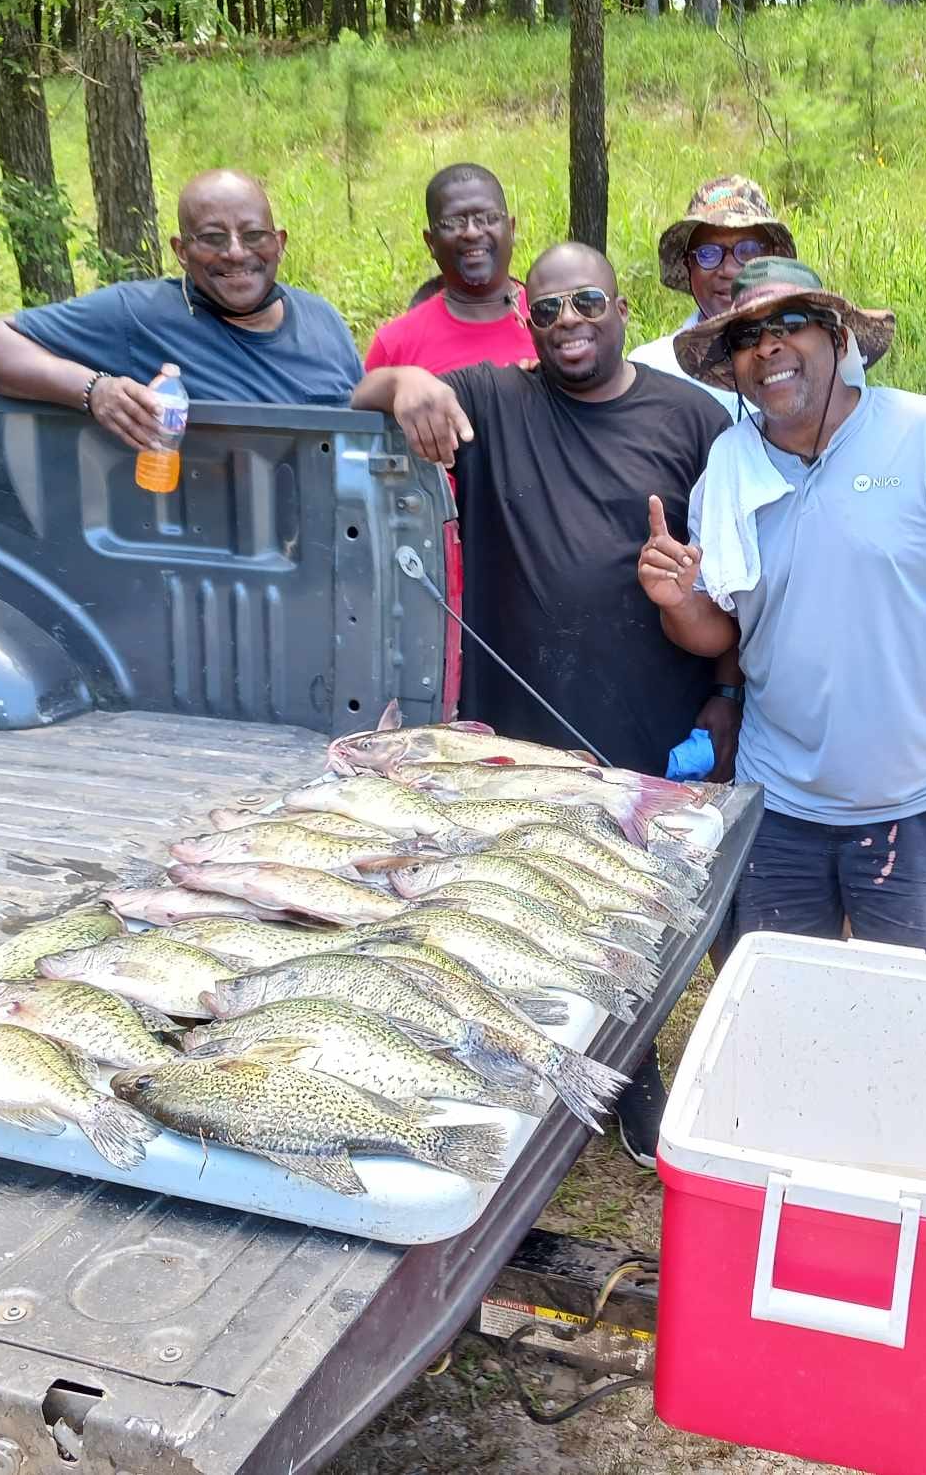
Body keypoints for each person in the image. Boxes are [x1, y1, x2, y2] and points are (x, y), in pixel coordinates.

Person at [352, 241, 743, 1168]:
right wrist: (404, 378)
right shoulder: (493, 398)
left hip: (652, 701)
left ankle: (662, 1062)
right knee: (536, 894)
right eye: (553, 309)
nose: (571, 324)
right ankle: (575, 1068)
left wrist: (725, 699)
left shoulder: (693, 419)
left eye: (589, 304)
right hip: (519, 710)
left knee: (644, 899)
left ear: (620, 312)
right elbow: (358, 398)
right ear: (529, 319)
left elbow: (735, 581)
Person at [639, 258, 926, 970]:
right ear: (734, 368)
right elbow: (723, 630)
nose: (767, 346)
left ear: (840, 339)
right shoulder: (729, 470)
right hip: (778, 803)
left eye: (789, 324)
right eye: (747, 337)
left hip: (913, 803)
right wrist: (678, 601)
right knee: (778, 1014)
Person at [0, 170, 363, 449]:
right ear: (181, 251)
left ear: (279, 243)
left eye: (254, 235)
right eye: (212, 238)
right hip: (210, 556)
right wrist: (94, 390)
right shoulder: (140, 314)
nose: (237, 252)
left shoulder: (321, 318)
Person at [631, 175, 796, 416]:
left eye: (747, 250)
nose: (728, 270)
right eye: (708, 254)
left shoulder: (806, 360)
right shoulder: (652, 371)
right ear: (688, 265)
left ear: (772, 256)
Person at [364, 164, 535, 375]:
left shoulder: (558, 318)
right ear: (431, 242)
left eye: (488, 218)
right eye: (453, 222)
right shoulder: (394, 344)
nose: (472, 232)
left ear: (511, 229)